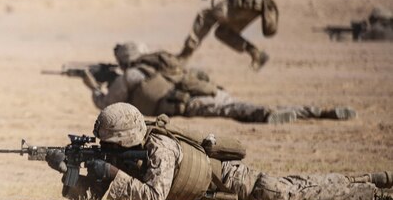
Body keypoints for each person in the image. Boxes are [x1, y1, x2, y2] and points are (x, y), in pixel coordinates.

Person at [46, 103, 392, 200]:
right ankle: (370, 181)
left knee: (293, 192)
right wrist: (69, 170)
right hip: (214, 191)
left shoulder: (159, 148)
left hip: (241, 184)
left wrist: (108, 172)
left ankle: (373, 191)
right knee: (299, 187)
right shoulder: (136, 148)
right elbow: (98, 193)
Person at [80, 42, 356, 124]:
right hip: (207, 89)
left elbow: (107, 105)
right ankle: (317, 111)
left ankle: (269, 115)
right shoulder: (158, 64)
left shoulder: (130, 76)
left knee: (235, 111)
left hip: (191, 102)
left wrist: (91, 85)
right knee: (236, 104)